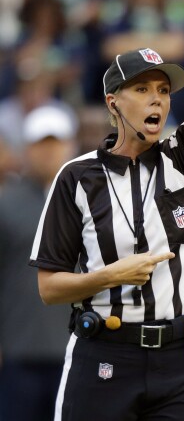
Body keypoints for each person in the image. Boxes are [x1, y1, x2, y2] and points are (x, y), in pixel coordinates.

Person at [28, 0, 184, 420]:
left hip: (181, 359)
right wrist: (107, 276)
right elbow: (50, 287)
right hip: (105, 354)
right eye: (141, 90)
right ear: (112, 102)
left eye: (163, 91)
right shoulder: (78, 176)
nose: (157, 100)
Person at [0, 106, 77, 420]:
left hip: (77, 353)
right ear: (26, 149)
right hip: (19, 352)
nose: (49, 152)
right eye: (41, 144)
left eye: (56, 143)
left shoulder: (89, 200)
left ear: (70, 146)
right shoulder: (5, 203)